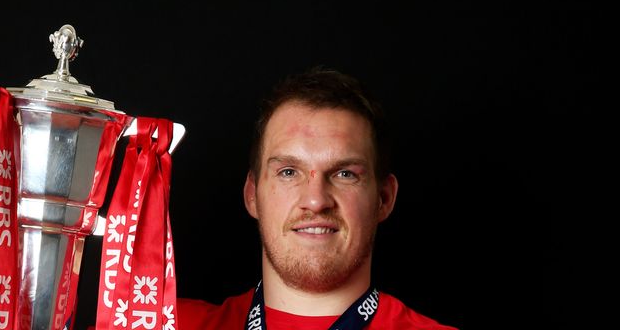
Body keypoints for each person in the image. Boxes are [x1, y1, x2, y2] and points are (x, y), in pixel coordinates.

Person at [176, 66, 458, 329]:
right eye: (288, 172)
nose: (315, 200)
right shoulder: (156, 319)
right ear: (252, 195)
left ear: (384, 198)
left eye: (345, 174)